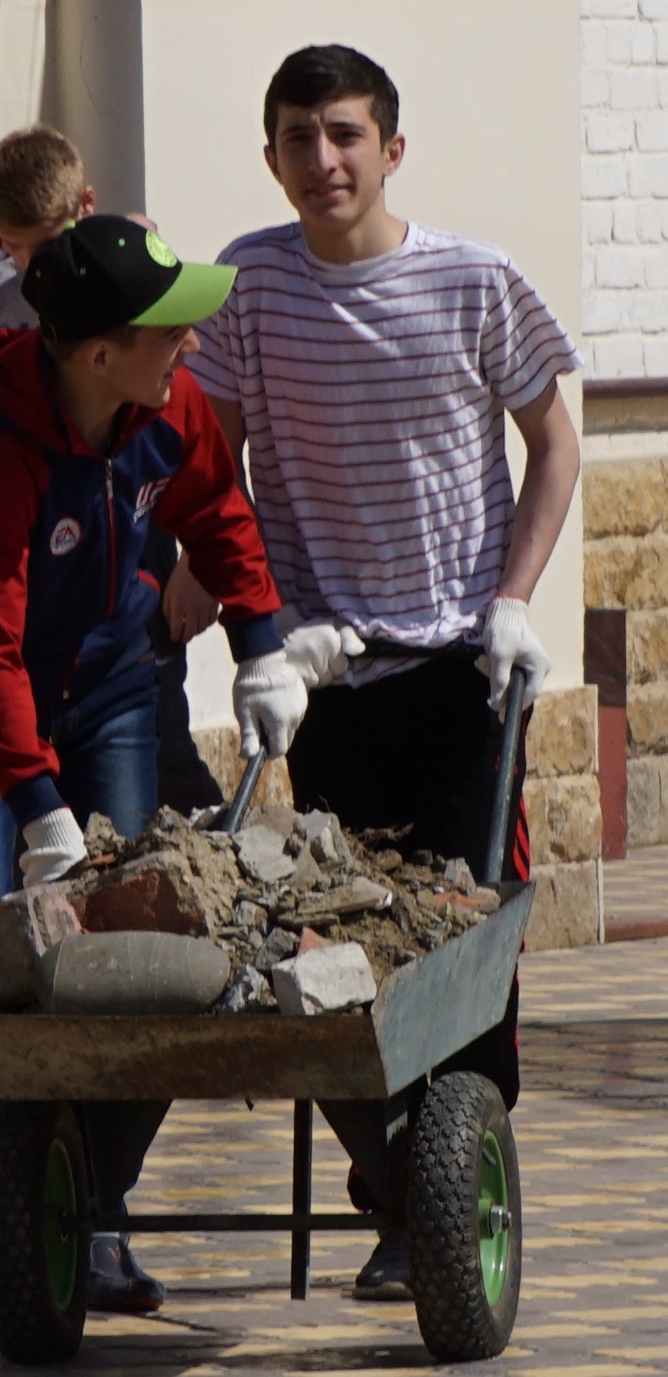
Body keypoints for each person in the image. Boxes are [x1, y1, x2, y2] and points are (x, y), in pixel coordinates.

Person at [187, 43, 582, 1299]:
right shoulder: (247, 285)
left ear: (391, 148)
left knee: (464, 937)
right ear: (270, 158)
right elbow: (211, 476)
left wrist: (512, 602)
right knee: (343, 944)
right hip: (329, 676)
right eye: (298, 139)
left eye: (345, 134)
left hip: (462, 671)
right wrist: (234, 626)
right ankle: (394, 1186)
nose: (323, 160)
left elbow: (554, 442)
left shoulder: (474, 279)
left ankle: (450, 1182)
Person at [0, 214, 307, 1310]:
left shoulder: (164, 404)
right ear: (97, 354)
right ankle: (10, 1203)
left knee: (133, 950)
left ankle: (95, 1211)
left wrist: (261, 648)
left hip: (116, 689)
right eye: (169, 328)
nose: (192, 343)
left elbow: (215, 509)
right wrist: (38, 810)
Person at [0, 124, 224, 815]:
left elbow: (187, 424)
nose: (30, 261)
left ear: (86, 204)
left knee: (155, 705)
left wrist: (200, 563)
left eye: (44, 241)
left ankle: (192, 831)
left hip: (132, 505)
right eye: (12, 245)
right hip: (48, 511)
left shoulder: (137, 252)